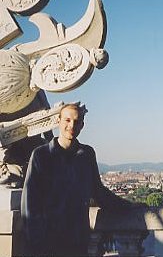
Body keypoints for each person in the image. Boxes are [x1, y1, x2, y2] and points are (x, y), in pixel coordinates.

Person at [21, 103, 142, 256]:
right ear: (58, 121)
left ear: (82, 125)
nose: (72, 125)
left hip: (77, 242)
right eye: (67, 120)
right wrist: (36, 243)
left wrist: (129, 206)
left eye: (77, 121)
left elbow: (99, 193)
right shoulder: (41, 155)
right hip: (48, 243)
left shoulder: (87, 154)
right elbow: (30, 203)